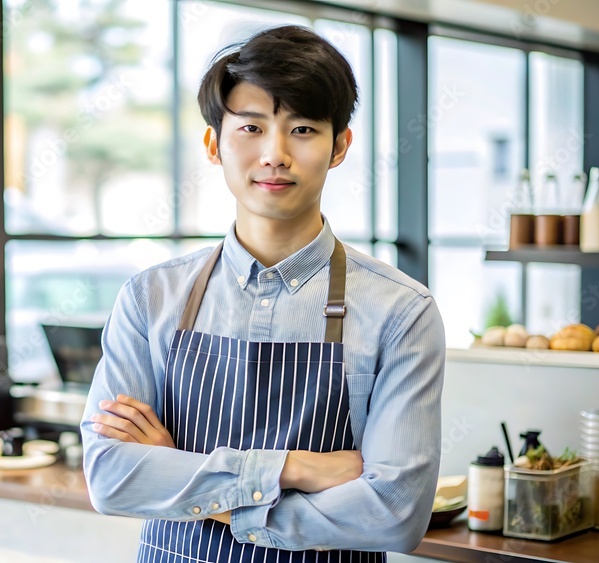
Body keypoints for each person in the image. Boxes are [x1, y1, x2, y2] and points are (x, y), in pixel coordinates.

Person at [80, 24, 445, 562]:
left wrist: (188, 476)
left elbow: (393, 516)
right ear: (214, 144)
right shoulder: (149, 298)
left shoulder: (401, 313)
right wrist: (294, 468)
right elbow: (111, 479)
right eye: (251, 127)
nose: (274, 154)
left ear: (339, 146)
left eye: (302, 129)